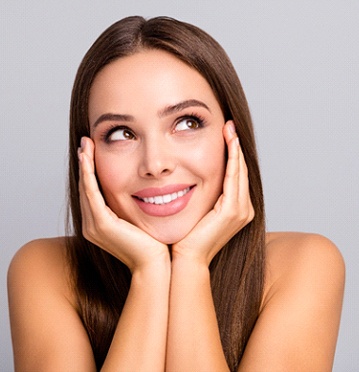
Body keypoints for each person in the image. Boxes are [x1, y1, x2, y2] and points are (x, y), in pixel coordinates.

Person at [7, 16, 345, 371]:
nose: (155, 163)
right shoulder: (43, 269)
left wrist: (190, 265)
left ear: (233, 137)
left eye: (187, 123)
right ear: (86, 155)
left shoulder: (304, 263)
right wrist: (149, 273)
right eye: (121, 133)